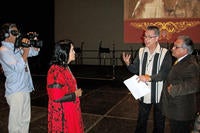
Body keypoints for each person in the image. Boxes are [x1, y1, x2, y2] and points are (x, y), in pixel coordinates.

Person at [122, 25, 172, 133]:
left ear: (157, 38)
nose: (146, 39)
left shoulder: (165, 53)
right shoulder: (140, 51)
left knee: (159, 122)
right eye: (145, 36)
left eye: (149, 37)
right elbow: (134, 69)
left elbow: (164, 74)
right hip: (143, 92)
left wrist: (149, 77)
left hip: (159, 93)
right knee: (141, 120)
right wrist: (128, 64)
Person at [0, 22, 40, 132]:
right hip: (16, 91)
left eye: (17, 32)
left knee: (25, 121)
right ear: (6, 35)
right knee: (15, 124)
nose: (17, 34)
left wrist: (34, 40)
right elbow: (17, 67)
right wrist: (25, 51)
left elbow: (35, 52)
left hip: (25, 88)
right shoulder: (4, 50)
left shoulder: (17, 46)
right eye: (14, 32)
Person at [161, 35, 200, 133]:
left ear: (185, 50)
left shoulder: (190, 64)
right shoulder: (181, 61)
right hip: (177, 109)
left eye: (176, 47)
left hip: (181, 112)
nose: (172, 48)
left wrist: (174, 89)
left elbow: (195, 84)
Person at [46, 39, 84, 133]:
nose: (74, 52)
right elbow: (56, 97)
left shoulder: (65, 67)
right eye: (72, 50)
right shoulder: (55, 71)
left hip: (71, 110)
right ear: (64, 52)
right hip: (63, 114)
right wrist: (75, 94)